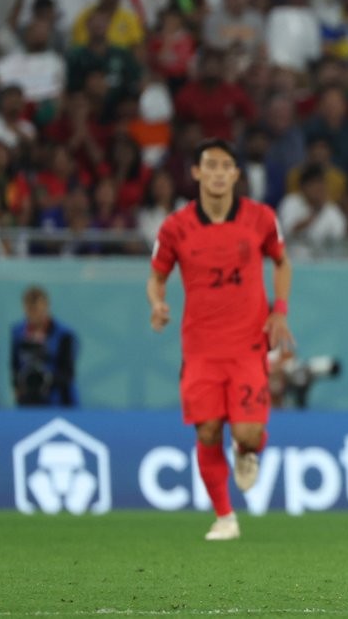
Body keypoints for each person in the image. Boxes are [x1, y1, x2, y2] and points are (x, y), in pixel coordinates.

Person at [147, 139, 294, 542]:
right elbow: (156, 276)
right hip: (200, 348)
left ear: (235, 174)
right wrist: (158, 304)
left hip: (248, 343)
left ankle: (247, 453)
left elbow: (282, 262)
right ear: (195, 172)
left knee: (246, 434)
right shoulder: (175, 227)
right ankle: (225, 516)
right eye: (208, 165)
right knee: (208, 431)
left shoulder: (260, 218)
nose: (216, 172)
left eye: (225, 165)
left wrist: (279, 309)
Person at [10, 286, 79, 407]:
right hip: (27, 401)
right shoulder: (18, 333)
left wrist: (47, 378)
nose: (35, 315)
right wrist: (18, 385)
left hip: (59, 401)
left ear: (46, 306)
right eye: (30, 310)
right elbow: (14, 365)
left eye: (38, 310)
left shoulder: (63, 335)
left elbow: (68, 373)